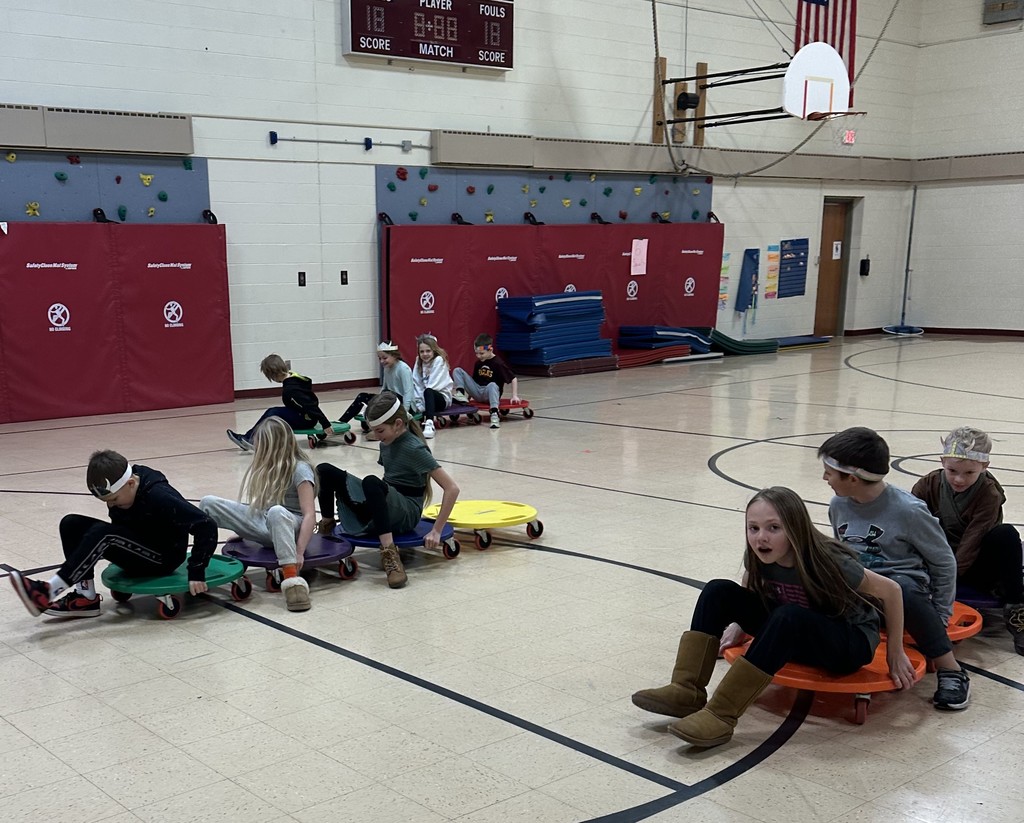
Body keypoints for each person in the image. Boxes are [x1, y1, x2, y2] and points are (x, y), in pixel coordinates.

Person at [632, 486, 914, 748]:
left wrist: (895, 652)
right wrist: (740, 625)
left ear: (795, 529)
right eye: (753, 528)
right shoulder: (759, 554)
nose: (761, 537)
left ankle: (721, 715)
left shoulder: (829, 561)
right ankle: (687, 690)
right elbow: (750, 584)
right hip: (795, 631)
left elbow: (892, 590)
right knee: (718, 590)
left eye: (773, 528)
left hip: (847, 644)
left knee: (789, 615)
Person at [818, 426, 971, 710]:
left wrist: (941, 614)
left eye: (829, 472)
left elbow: (944, 561)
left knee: (904, 589)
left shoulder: (909, 510)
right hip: (861, 589)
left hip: (903, 592)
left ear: (853, 478)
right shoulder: (838, 504)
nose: (825, 478)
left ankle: (950, 669)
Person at [9, 450, 217, 618]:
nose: (111, 505)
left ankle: (48, 592)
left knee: (104, 533)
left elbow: (206, 525)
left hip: (163, 558)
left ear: (131, 483)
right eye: (107, 502)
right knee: (71, 523)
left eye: (114, 500)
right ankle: (85, 598)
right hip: (138, 548)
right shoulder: (124, 491)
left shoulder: (159, 495)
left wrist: (196, 570)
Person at [315, 391, 459, 589]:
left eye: (380, 431)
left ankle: (390, 553)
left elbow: (452, 489)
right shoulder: (386, 442)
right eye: (373, 430)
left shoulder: (414, 448)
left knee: (371, 482)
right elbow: (388, 482)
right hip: (388, 503)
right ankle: (327, 528)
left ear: (398, 424)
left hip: (406, 513)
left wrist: (436, 530)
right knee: (323, 470)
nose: (375, 436)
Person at [911, 426, 1024, 654]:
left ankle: (1017, 608)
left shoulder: (989, 494)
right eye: (952, 470)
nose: (959, 479)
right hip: (935, 559)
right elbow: (911, 528)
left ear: (984, 466)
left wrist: (944, 580)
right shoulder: (927, 485)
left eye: (969, 473)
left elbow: (973, 540)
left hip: (972, 564)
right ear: (942, 462)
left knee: (1006, 535)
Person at [202, 417, 317, 612]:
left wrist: (299, 551)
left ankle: (292, 581)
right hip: (267, 523)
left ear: (274, 446)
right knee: (208, 503)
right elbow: (263, 506)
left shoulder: (300, 469)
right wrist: (243, 528)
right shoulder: (270, 468)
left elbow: (309, 515)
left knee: (277, 512)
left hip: (291, 528)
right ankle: (198, 563)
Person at [226, 354, 335, 451]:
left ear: (273, 375)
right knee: (274, 412)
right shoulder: (295, 376)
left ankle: (250, 439)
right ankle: (250, 437)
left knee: (272, 412)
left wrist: (325, 423)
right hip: (304, 415)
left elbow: (309, 405)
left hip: (306, 419)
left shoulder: (291, 388)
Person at [337, 342, 416, 433]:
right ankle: (342, 422)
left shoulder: (403, 369)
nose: (381, 361)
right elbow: (384, 387)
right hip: (390, 399)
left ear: (394, 356)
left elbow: (408, 392)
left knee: (389, 393)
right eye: (379, 358)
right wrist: (377, 401)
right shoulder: (387, 367)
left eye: (384, 358)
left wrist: (405, 411)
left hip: (403, 404)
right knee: (362, 396)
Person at [451, 333, 519, 429]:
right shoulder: (478, 363)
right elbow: (474, 381)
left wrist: (514, 395)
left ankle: (494, 414)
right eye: (476, 353)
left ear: (490, 350)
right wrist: (469, 398)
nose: (478, 356)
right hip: (478, 392)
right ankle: (460, 395)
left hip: (490, 394)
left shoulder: (498, 363)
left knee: (492, 385)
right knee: (457, 370)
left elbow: (513, 378)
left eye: (481, 353)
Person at [411, 333, 454, 440]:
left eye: (428, 351)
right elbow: (416, 382)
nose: (425, 354)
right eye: (422, 351)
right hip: (425, 398)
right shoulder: (418, 361)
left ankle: (429, 423)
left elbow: (434, 385)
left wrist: (422, 406)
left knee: (429, 391)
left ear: (434, 350)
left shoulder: (439, 360)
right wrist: (418, 403)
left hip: (440, 398)